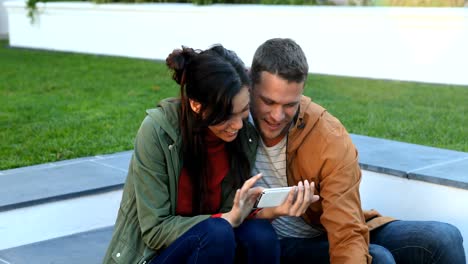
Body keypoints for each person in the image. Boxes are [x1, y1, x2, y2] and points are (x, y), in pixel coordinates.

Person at [248, 38, 466, 264]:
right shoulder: (232, 121)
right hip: (273, 243)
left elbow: (346, 228)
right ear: (250, 86)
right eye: (268, 102)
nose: (277, 115)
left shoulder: (327, 136)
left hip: (323, 228)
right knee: (380, 259)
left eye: (290, 105)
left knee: (444, 239)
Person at [102, 44, 281, 264]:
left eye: (243, 111)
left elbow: (229, 214)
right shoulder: (157, 132)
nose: (237, 125)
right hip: (154, 256)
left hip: (211, 247)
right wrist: (227, 219)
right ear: (197, 105)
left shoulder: (242, 137)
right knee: (217, 233)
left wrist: (262, 210)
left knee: (259, 235)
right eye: (226, 116)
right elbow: (155, 230)